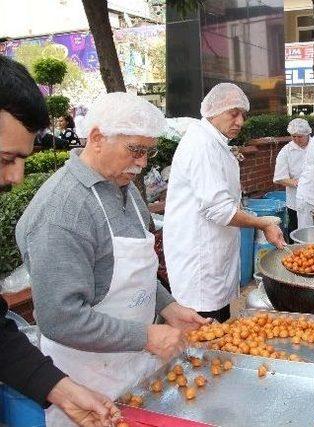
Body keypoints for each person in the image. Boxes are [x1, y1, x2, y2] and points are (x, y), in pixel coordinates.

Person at [15, 92, 207, 426]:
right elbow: (60, 319)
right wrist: (146, 336)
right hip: (85, 384)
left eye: (149, 151)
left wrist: (167, 306)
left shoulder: (126, 187)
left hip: (135, 368)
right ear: (97, 138)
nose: (143, 163)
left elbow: (134, 270)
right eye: (135, 150)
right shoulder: (62, 212)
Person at [0, 55, 120, 426]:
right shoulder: (60, 208)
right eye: (6, 159)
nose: (17, 176)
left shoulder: (124, 192)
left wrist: (60, 389)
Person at [163, 83, 285, 323]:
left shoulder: (215, 143)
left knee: (219, 325)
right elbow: (219, 210)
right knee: (202, 335)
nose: (240, 121)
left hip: (214, 255)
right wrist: (263, 224)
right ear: (213, 111)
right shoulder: (202, 145)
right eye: (233, 113)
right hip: (199, 262)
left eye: (243, 115)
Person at [273, 118, 311, 237]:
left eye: (300, 136)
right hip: (295, 201)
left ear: (308, 134)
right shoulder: (286, 152)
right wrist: (298, 183)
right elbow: (279, 178)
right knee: (295, 231)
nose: (296, 139)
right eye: (293, 136)